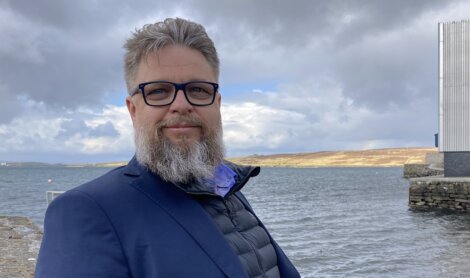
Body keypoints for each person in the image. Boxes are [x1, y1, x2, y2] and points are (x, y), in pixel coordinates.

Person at [35, 18, 300, 278]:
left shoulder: (227, 187)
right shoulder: (86, 211)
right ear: (133, 110)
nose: (182, 104)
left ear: (216, 104)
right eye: (159, 91)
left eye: (197, 89)